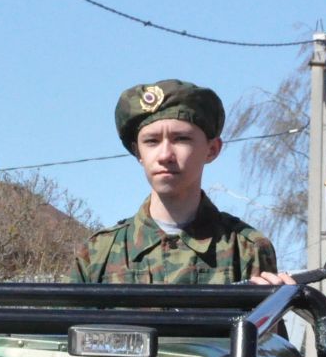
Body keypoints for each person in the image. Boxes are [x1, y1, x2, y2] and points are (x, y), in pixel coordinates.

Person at [71, 80, 284, 286]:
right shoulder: (99, 254)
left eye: (181, 139)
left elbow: (265, 323)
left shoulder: (246, 249)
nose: (165, 155)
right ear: (138, 152)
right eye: (151, 141)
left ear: (212, 150)